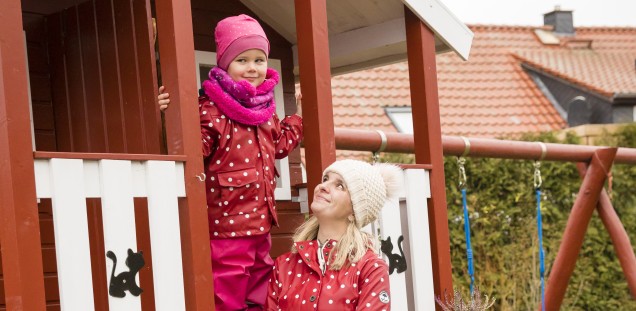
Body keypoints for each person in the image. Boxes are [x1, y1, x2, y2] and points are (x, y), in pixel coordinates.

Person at [158, 14, 303, 311]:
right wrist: (166, 116)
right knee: (227, 285)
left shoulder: (265, 110)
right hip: (226, 223)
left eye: (259, 60)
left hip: (261, 222)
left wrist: (297, 118)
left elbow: (279, 146)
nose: (252, 68)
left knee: (261, 279)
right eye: (242, 60)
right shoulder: (210, 109)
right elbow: (193, 148)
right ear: (224, 64)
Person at [266, 159, 401, 310]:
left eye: (340, 186)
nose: (323, 186)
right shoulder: (283, 266)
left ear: (354, 211)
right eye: (325, 179)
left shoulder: (370, 269)